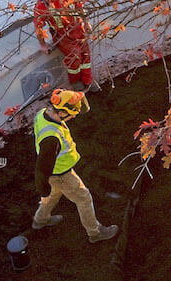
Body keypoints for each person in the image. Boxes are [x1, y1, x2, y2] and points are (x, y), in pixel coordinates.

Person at [31, 89, 118, 241]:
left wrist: (74, 96)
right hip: (61, 174)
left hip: (54, 172)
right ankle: (95, 233)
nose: (73, 117)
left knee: (54, 194)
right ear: (61, 113)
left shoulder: (43, 113)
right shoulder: (51, 139)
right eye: (71, 115)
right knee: (84, 199)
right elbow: (41, 171)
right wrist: (43, 194)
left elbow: (84, 108)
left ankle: (40, 220)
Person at [32, 0, 94, 89]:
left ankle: (88, 81)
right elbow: (39, 27)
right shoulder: (42, 5)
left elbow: (79, 7)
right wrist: (43, 44)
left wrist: (86, 23)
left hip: (79, 30)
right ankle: (76, 82)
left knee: (85, 55)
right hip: (63, 37)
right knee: (74, 59)